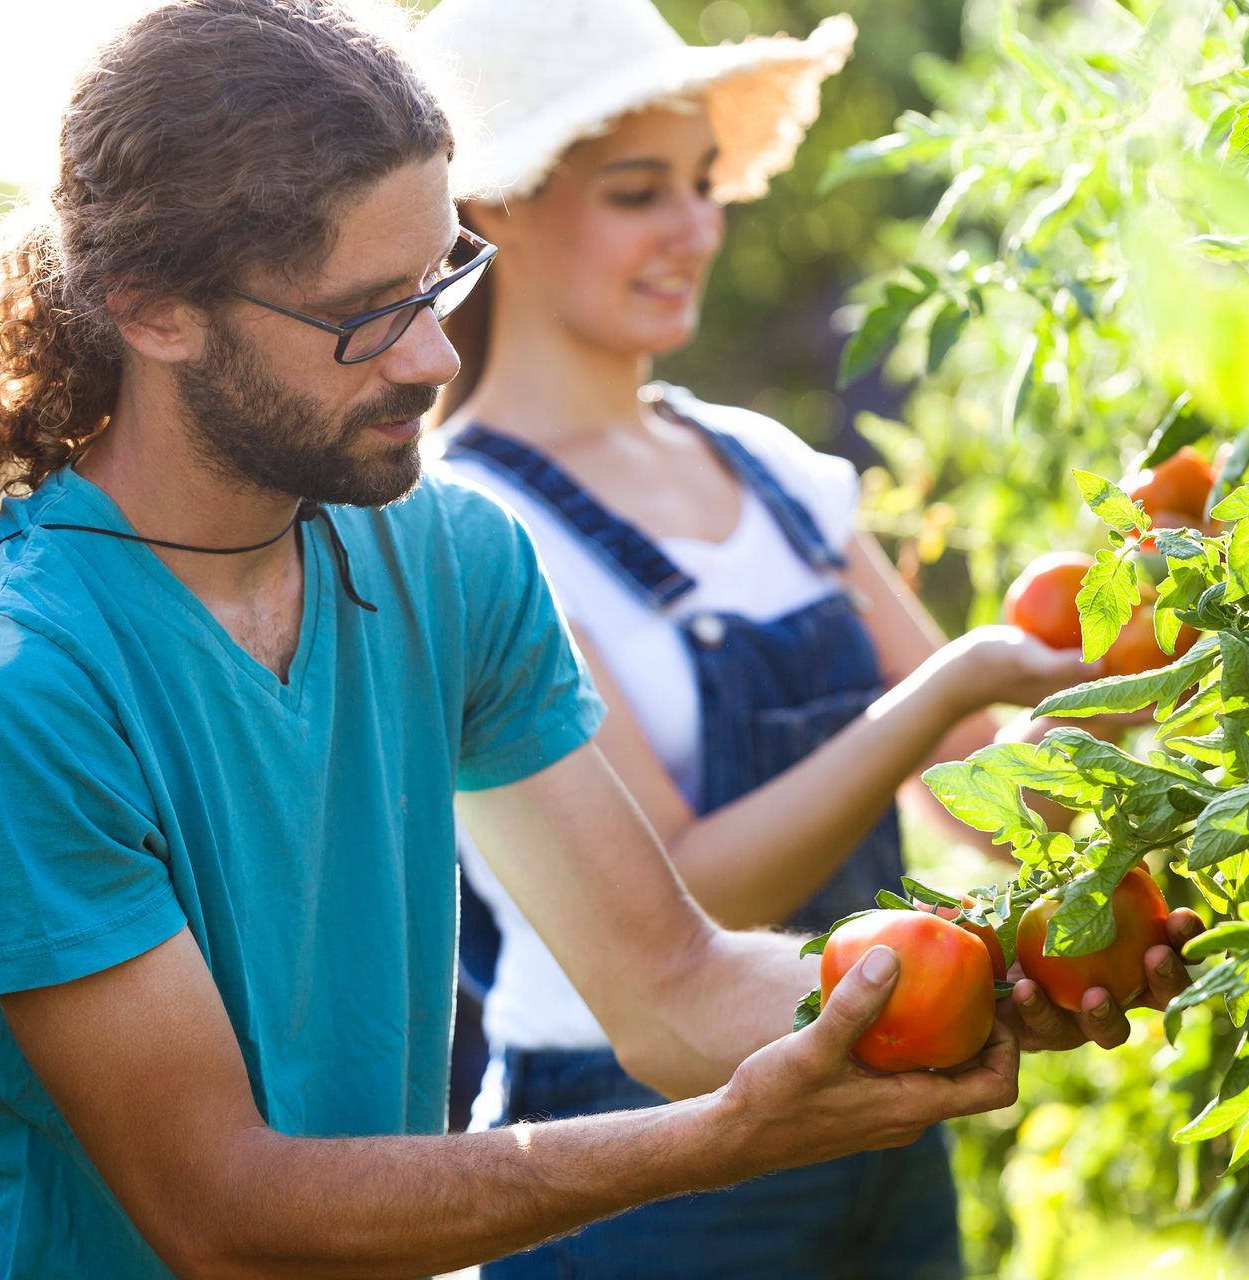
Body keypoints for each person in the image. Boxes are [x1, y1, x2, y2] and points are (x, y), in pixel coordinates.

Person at [419, 1, 1198, 1275]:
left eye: (704, 185)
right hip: (637, 1154)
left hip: (891, 1104)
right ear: (495, 208)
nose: (695, 230)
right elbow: (689, 900)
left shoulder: (774, 471)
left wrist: (1136, 651)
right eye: (636, 193)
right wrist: (946, 687)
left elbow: (988, 799)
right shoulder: (467, 526)